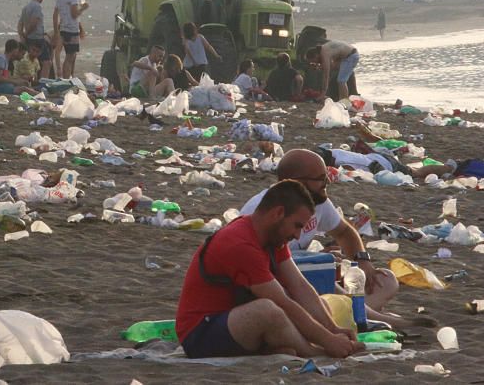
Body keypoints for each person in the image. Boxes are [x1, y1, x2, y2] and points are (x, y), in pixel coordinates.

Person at [176, 179, 363, 359]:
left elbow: (300, 286)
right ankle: (313, 352)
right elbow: (282, 303)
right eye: (297, 226)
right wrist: (328, 341)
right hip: (201, 333)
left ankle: (283, 347)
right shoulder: (240, 244)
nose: (298, 236)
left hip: (233, 320)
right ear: (278, 213)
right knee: (267, 310)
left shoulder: (272, 236)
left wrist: (333, 329)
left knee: (317, 303)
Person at [239, 149, 411, 329]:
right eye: (321, 178)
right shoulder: (265, 211)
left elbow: (345, 232)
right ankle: (365, 314)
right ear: (298, 182)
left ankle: (352, 311)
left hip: (304, 279)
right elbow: (267, 266)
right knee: (318, 275)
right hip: (277, 285)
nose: (327, 181)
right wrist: (316, 260)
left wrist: (363, 262)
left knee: (386, 280)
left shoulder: (317, 201)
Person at [54, 0, 89, 79]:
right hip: (72, 30)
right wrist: (83, 8)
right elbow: (74, 15)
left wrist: (56, 31)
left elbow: (55, 13)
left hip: (63, 28)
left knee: (69, 57)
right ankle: (66, 80)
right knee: (70, 58)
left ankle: (69, 78)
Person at [17, 0, 52, 79]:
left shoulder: (26, 7)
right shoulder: (37, 7)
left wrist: (22, 36)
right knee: (46, 62)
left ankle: (34, 80)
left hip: (29, 38)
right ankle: (43, 82)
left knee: (32, 61)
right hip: (36, 38)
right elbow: (34, 22)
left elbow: (20, 24)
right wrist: (27, 33)